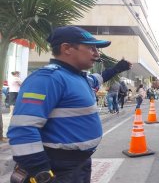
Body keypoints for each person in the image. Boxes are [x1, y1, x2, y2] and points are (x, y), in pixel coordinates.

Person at [7, 26, 131, 183]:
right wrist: (42, 174)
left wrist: (117, 68)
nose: (97, 54)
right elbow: (23, 130)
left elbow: (100, 78)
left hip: (78, 166)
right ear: (67, 48)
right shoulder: (47, 79)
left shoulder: (80, 78)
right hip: (57, 170)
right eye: (91, 48)